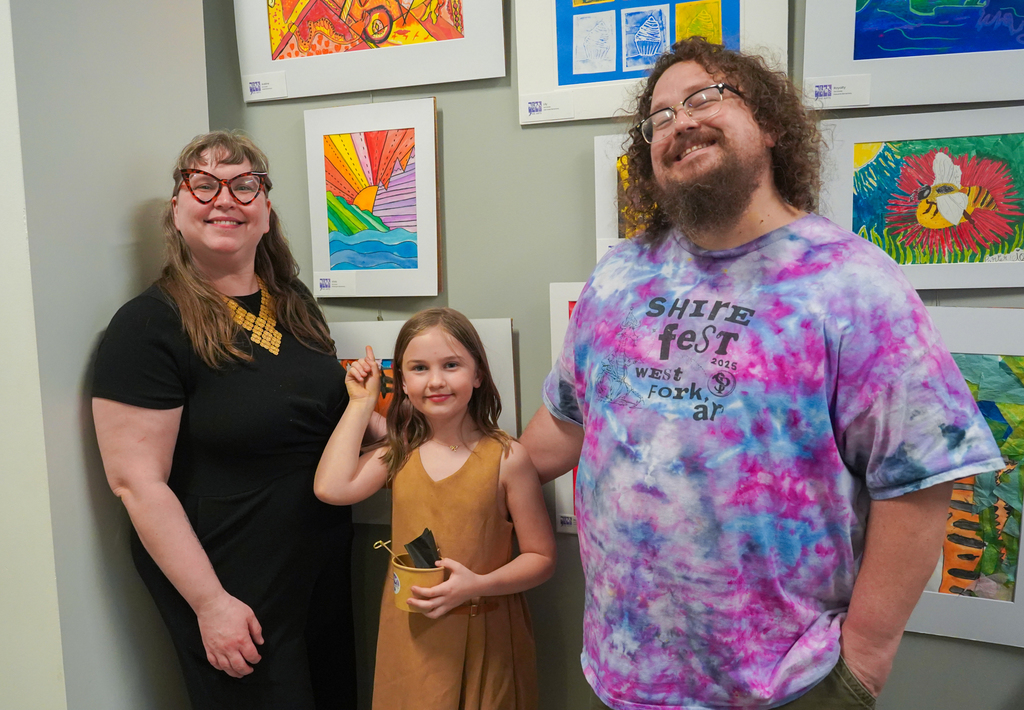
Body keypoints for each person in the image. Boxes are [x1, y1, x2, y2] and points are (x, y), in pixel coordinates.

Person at [520, 38, 1004, 710]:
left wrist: (861, 666)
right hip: (623, 675)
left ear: (770, 124)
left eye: (704, 97)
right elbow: (567, 421)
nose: (679, 122)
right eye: (658, 118)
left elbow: (918, 485)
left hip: (780, 689)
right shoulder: (619, 275)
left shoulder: (852, 284)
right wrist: (479, 468)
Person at [92, 131, 368, 709]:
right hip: (232, 582)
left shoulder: (292, 301)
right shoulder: (147, 327)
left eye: (246, 186)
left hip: (315, 570)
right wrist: (211, 604)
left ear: (265, 211)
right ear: (177, 207)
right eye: (204, 184)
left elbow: (331, 418)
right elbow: (136, 483)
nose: (226, 199)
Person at [314, 307, 556, 710]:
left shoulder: (508, 458)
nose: (437, 380)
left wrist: (477, 585)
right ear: (403, 383)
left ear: (477, 375)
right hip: (412, 637)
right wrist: (361, 403)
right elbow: (331, 488)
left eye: (451, 365)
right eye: (420, 368)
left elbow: (541, 557)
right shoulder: (399, 452)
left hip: (486, 634)